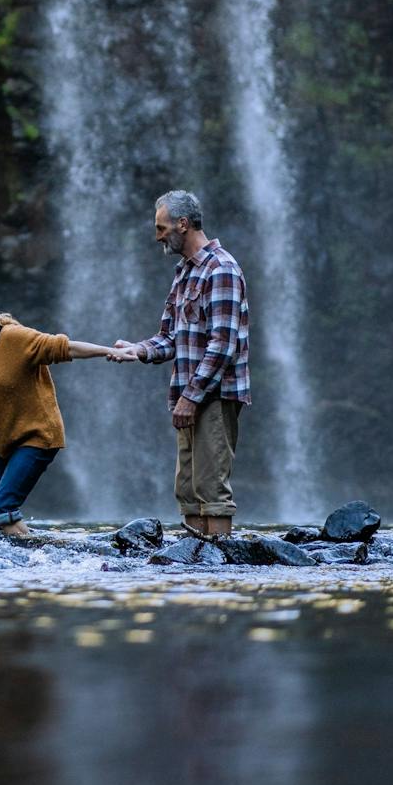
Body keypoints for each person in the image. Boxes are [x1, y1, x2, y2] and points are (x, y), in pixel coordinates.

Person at [0, 286, 125, 537]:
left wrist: (110, 351)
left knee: (2, 509)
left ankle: (41, 560)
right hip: (6, 445)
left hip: (37, 438)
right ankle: (16, 567)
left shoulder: (16, 338)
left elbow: (65, 348)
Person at [109, 189, 250, 540]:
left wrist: (190, 397)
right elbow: (170, 336)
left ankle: (218, 572)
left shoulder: (222, 269)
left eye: (161, 228)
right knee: (188, 491)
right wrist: (137, 350)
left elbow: (223, 345)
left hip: (213, 397)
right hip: (189, 395)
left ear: (182, 224)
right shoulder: (184, 272)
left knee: (211, 491)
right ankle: (194, 570)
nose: (157, 236)